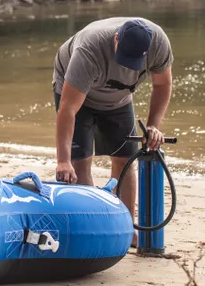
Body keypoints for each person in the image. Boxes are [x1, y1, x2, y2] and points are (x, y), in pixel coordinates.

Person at [53, 17, 173, 239]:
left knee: (126, 160)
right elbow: (68, 108)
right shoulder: (89, 50)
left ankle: (124, 227)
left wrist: (153, 127)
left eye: (134, 60)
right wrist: (63, 160)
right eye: (125, 56)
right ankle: (93, 228)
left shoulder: (159, 45)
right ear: (116, 38)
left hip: (119, 100)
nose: (126, 66)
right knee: (80, 164)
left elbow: (163, 84)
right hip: (78, 94)